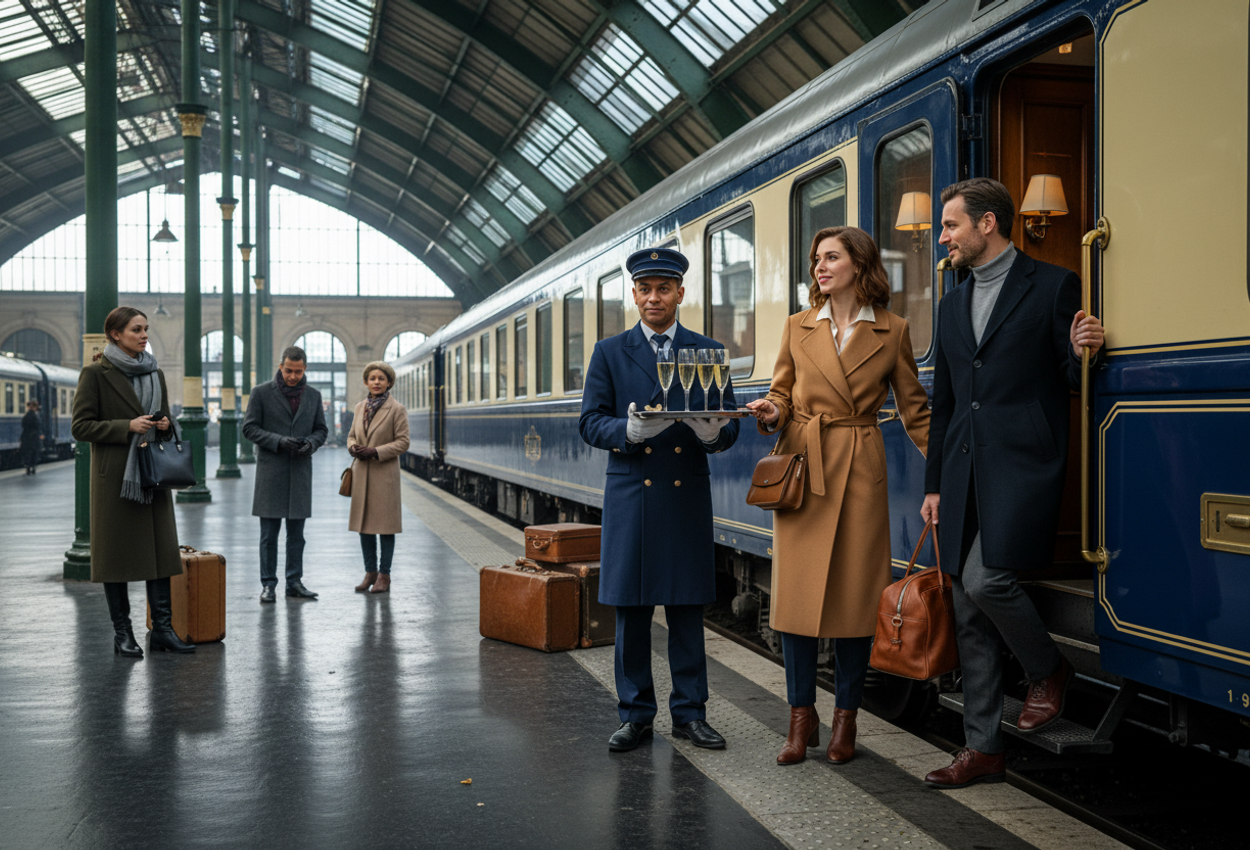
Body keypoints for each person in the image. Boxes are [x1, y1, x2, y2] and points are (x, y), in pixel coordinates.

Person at [921, 178, 1104, 788]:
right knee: (968, 608)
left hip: (1025, 463)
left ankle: (1049, 670)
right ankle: (983, 749)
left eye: (950, 225)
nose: (943, 237)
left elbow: (1070, 379)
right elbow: (943, 404)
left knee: (984, 580)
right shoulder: (951, 304)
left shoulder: (1052, 284)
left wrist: (1084, 351)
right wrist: (933, 486)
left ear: (988, 224)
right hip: (961, 468)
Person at [745, 226, 930, 765]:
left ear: (859, 264)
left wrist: (946, 472)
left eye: (831, 257)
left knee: (855, 601)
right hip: (804, 466)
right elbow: (781, 392)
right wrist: (774, 412)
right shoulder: (797, 326)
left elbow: (915, 410)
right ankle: (800, 720)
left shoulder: (893, 331)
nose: (820, 267)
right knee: (796, 602)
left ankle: (845, 720)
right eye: (816, 259)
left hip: (858, 468)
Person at [579, 247, 741, 753]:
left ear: (680, 294)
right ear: (634, 294)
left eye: (664, 289)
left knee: (687, 610)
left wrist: (713, 433)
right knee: (631, 613)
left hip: (684, 493)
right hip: (632, 494)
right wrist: (627, 429)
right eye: (645, 289)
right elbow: (589, 421)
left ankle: (691, 714)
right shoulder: (610, 351)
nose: (654, 298)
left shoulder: (706, 350)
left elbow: (729, 425)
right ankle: (635, 715)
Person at [70, 306, 196, 657]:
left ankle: (163, 631)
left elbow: (166, 415)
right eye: (136, 330)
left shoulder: (155, 372)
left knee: (160, 556)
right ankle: (122, 634)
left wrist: (166, 425)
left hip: (152, 475)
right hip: (116, 480)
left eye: (146, 329)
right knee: (117, 558)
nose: (144, 335)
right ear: (116, 334)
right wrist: (126, 426)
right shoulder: (95, 373)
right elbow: (80, 427)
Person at [242, 346, 328, 603]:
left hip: (300, 472)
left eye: (298, 371)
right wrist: (279, 441)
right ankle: (268, 585)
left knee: (297, 536)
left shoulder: (313, 396)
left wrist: (310, 444)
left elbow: (321, 430)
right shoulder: (260, 393)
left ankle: (294, 582)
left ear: (305, 369)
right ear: (281, 367)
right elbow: (249, 428)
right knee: (268, 536)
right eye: (289, 370)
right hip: (271, 472)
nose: (293, 376)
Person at [347, 361, 410, 594]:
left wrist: (376, 451)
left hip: (384, 475)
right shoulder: (359, 407)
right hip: (362, 473)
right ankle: (369, 572)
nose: (376, 382)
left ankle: (384, 575)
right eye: (372, 378)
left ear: (389, 382)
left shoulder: (397, 409)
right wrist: (353, 447)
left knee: (385, 527)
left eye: (381, 378)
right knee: (364, 526)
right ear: (366, 381)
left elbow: (403, 442)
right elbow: (352, 435)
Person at [20, 399, 42, 474]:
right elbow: (38, 426)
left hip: (26, 437)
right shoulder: (35, 416)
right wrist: (40, 434)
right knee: (34, 452)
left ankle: (28, 466)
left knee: (27, 452)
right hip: (34, 437)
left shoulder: (26, 416)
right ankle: (32, 466)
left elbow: (23, 425)